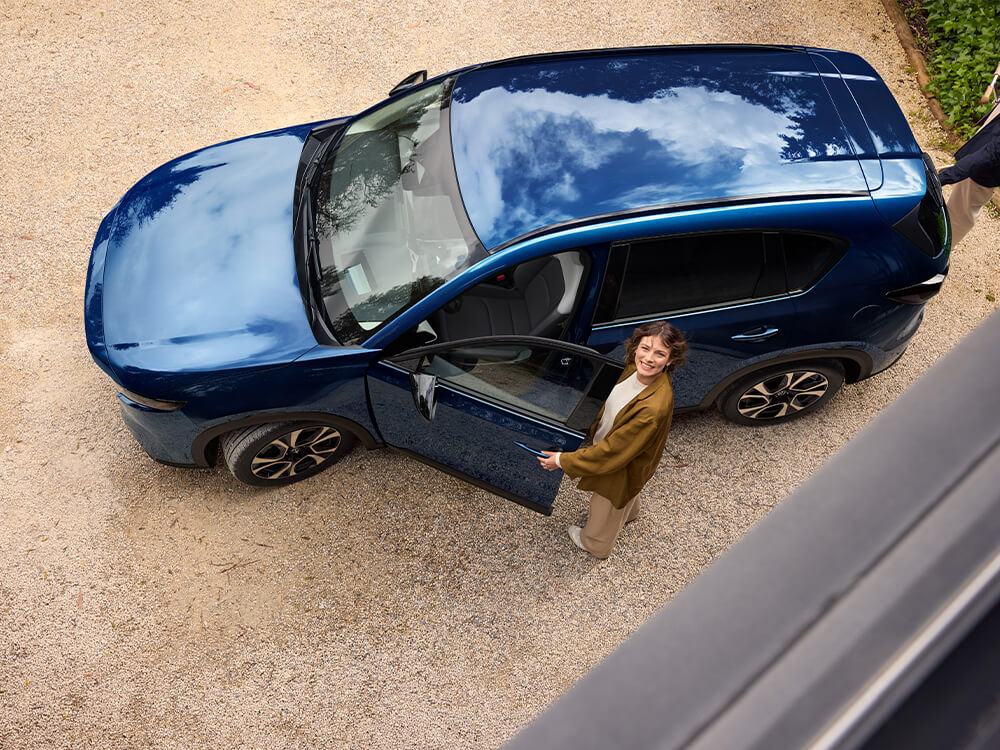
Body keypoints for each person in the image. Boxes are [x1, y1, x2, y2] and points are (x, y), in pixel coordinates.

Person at [537, 321, 688, 559]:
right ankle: (629, 513)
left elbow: (612, 453)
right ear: (636, 347)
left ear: (670, 360)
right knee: (628, 489)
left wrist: (562, 460)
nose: (648, 358)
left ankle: (595, 543)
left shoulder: (651, 409)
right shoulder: (633, 369)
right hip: (630, 456)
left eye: (660, 353)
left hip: (621, 463)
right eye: (645, 348)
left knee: (606, 501)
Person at [939, 99, 1000, 246]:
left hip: (983, 171)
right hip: (980, 158)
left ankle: (939, 256)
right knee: (956, 211)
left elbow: (992, 153)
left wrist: (947, 175)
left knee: (960, 216)